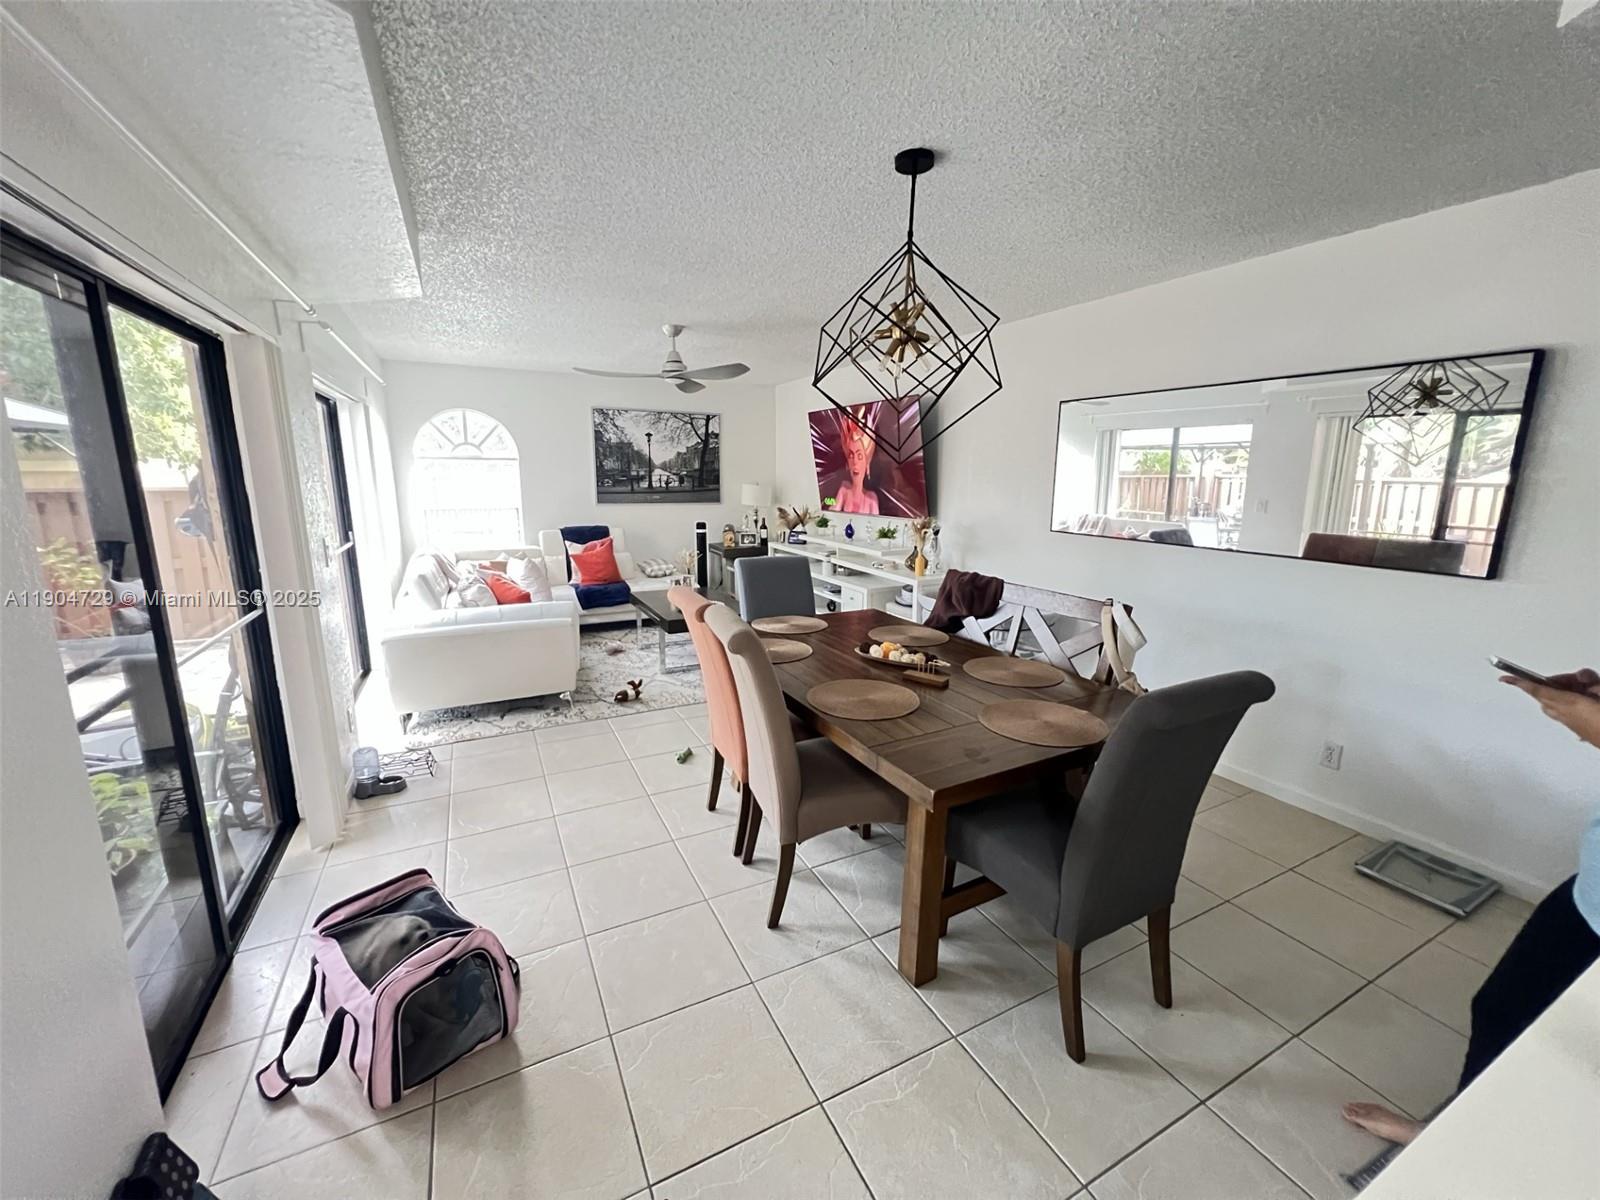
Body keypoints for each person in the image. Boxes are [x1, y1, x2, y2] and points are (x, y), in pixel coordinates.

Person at [1342, 667, 1600, 1145]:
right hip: (1591, 889)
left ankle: (1474, 1149)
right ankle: (1457, 1137)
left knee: (1549, 1041)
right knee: (1503, 1009)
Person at [832, 404, 882, 516]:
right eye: (851, 455)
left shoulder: (871, 500)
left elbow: (877, 529)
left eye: (860, 456)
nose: (855, 462)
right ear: (847, 464)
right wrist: (830, 500)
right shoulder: (844, 492)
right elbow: (831, 511)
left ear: (867, 464)